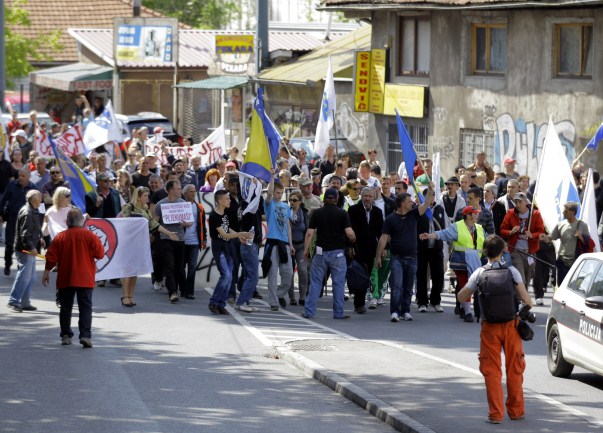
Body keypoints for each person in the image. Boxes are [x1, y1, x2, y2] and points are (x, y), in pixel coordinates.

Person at [457, 234, 532, 424]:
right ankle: (516, 412)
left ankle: (496, 414)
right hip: (511, 325)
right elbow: (527, 301)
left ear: (485, 252)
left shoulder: (480, 273)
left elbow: (460, 297)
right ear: (503, 251)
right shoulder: (512, 272)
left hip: (489, 327)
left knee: (491, 371)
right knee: (515, 369)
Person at [42, 208, 104, 347]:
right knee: (85, 307)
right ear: (81, 221)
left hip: (66, 277)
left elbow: (51, 257)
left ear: (67, 222)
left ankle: (65, 335)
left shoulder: (60, 236)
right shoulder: (90, 236)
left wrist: (46, 272)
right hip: (85, 278)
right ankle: (85, 335)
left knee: (65, 307)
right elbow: (100, 254)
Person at [377, 185, 434, 322]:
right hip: (396, 258)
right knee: (397, 286)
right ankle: (395, 312)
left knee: (408, 287)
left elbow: (426, 203)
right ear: (402, 204)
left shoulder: (413, 214)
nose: (412, 203)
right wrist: (378, 256)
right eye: (409, 202)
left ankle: (406, 311)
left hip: (412, 258)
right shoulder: (390, 219)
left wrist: (431, 190)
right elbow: (384, 238)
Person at [420, 205, 486, 323]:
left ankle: (461, 307)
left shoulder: (479, 228)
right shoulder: (457, 227)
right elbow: (443, 233)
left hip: (475, 262)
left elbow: (487, 242)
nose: (477, 215)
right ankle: (467, 312)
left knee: (470, 285)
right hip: (460, 261)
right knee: (466, 284)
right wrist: (429, 235)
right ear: (468, 216)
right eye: (475, 213)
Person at [302, 188, 356, 319]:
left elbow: (310, 233)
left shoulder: (316, 213)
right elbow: (349, 233)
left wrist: (305, 250)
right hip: (337, 253)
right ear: (336, 199)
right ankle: (338, 313)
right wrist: (353, 239)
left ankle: (309, 311)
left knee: (315, 282)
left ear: (324, 199)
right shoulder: (342, 213)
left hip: (320, 252)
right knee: (338, 284)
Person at [120, 187, 179, 306]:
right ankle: (124, 296)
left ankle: (131, 296)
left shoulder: (145, 210)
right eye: (145, 196)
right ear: (139, 196)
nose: (147, 198)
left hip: (140, 244)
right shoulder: (129, 207)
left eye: (147, 195)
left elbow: (154, 224)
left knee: (134, 271)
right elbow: (124, 224)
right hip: (129, 243)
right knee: (128, 270)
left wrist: (168, 233)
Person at [208, 190, 249, 314]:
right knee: (225, 275)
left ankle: (221, 304)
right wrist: (240, 233)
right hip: (219, 247)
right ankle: (214, 302)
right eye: (227, 199)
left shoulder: (224, 213)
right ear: (220, 201)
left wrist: (238, 236)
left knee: (230, 277)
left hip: (227, 246)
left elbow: (227, 229)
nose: (229, 200)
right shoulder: (214, 216)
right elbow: (224, 234)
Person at [154, 180, 191, 303]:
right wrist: (163, 233)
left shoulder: (183, 203)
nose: (180, 190)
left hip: (180, 238)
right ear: (170, 190)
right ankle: (172, 292)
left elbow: (190, 222)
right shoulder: (160, 204)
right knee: (169, 266)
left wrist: (186, 224)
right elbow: (155, 222)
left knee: (179, 267)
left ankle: (183, 289)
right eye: (178, 188)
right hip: (166, 239)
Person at [7, 190, 44, 312]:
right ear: (34, 199)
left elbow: (34, 229)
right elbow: (25, 234)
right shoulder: (27, 212)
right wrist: (32, 247)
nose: (41, 200)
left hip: (29, 248)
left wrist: (40, 239)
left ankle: (24, 302)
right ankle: (14, 301)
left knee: (30, 277)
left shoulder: (33, 210)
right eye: (40, 197)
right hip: (25, 250)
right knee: (24, 276)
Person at [500, 192, 545, 291]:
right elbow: (502, 230)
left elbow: (541, 232)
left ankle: (522, 300)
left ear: (526, 202)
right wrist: (511, 232)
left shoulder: (535, 214)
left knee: (528, 277)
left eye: (520, 202)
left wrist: (532, 235)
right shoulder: (511, 213)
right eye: (516, 202)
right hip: (516, 250)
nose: (518, 204)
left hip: (530, 252)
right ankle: (520, 300)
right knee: (520, 278)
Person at [348, 187, 383, 314]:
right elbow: (348, 229)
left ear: (373, 197)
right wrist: (350, 247)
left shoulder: (378, 212)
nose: (367, 198)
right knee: (358, 274)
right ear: (361, 197)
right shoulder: (353, 210)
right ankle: (359, 304)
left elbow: (381, 232)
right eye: (365, 196)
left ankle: (362, 298)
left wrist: (384, 248)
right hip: (357, 248)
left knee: (367, 275)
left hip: (371, 249)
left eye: (370, 196)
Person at [540, 201, 591, 284]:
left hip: (576, 263)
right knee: (561, 285)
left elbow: (588, 244)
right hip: (562, 261)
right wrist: (544, 237)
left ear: (572, 212)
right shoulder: (560, 224)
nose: (563, 212)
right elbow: (551, 237)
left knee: (573, 287)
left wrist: (581, 237)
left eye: (566, 211)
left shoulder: (582, 225)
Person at [264, 172, 294, 310]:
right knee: (272, 274)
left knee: (288, 274)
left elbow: (288, 225)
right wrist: (271, 177)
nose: (279, 195)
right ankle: (274, 302)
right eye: (277, 192)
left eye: (281, 192)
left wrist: (291, 243)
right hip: (272, 242)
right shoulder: (269, 204)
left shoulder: (286, 207)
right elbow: (269, 194)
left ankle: (278, 294)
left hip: (284, 243)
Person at [0, 168, 38, 276]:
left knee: (22, 244)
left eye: (23, 176)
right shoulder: (12, 185)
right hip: (12, 218)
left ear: (29, 176)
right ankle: (7, 264)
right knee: (9, 244)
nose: (20, 178)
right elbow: (3, 200)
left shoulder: (33, 189)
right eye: (19, 175)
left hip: (26, 221)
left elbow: (40, 204)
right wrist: (1, 214)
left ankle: (21, 265)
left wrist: (40, 218)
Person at [416, 193, 447, 313]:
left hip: (436, 247)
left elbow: (443, 227)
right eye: (429, 196)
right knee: (422, 275)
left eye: (433, 196)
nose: (431, 198)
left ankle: (436, 301)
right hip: (422, 248)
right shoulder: (419, 209)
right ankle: (422, 302)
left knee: (438, 274)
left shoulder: (439, 209)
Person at [182, 184, 207, 300]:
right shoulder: (180, 206)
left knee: (192, 267)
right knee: (181, 267)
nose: (193, 193)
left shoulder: (200, 207)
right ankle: (182, 289)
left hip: (194, 242)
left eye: (194, 191)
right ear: (185, 193)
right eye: (190, 191)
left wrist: (204, 238)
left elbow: (203, 225)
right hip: (182, 242)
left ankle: (189, 291)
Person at [288, 189, 309, 306]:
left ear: (300, 202)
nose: (292, 202)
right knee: (289, 272)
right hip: (289, 246)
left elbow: (309, 231)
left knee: (303, 271)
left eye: (295, 200)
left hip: (301, 246)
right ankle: (292, 297)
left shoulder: (305, 214)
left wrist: (307, 248)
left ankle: (302, 296)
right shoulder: (287, 212)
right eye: (290, 200)